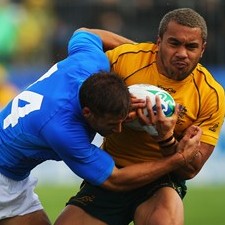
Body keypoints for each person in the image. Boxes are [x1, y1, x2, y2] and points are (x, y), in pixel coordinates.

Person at [0, 27, 202, 225]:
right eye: (113, 124)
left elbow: (85, 33)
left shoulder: (91, 63)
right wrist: (179, 158)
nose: (119, 130)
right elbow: (116, 179)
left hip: (13, 176)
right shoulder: (64, 130)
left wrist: (145, 59)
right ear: (87, 113)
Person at [55, 8, 225, 225]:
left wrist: (165, 137)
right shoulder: (125, 59)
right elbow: (84, 100)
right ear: (159, 42)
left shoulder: (211, 94)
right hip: (113, 168)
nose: (182, 53)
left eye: (191, 46)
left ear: (202, 50)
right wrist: (114, 106)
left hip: (161, 180)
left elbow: (190, 170)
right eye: (174, 43)